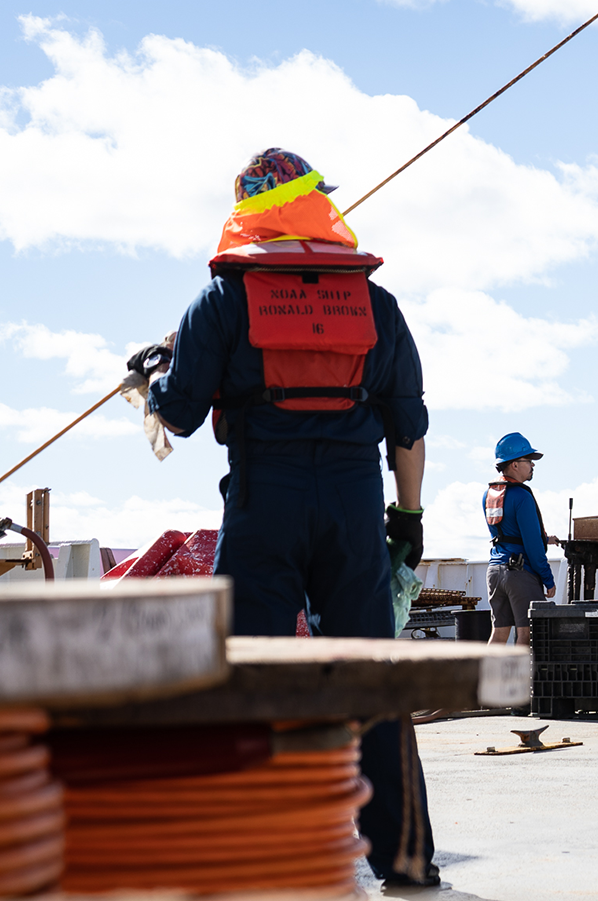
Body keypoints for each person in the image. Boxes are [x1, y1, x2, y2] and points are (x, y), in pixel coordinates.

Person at [129, 148, 439, 888]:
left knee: (252, 676)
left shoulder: (222, 299)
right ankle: (405, 855)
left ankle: (252, 853)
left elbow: (179, 411)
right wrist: (408, 513)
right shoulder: (376, 302)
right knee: (372, 676)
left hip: (264, 500)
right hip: (354, 500)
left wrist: (150, 376)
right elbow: (408, 427)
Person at [483, 432, 558, 646]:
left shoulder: (489, 494)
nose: (533, 465)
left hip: (495, 572)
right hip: (519, 574)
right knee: (528, 635)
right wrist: (547, 578)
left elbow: (507, 532)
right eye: (529, 461)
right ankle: (522, 681)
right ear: (514, 464)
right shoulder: (523, 496)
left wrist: (545, 538)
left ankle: (483, 680)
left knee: (498, 634)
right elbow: (533, 546)